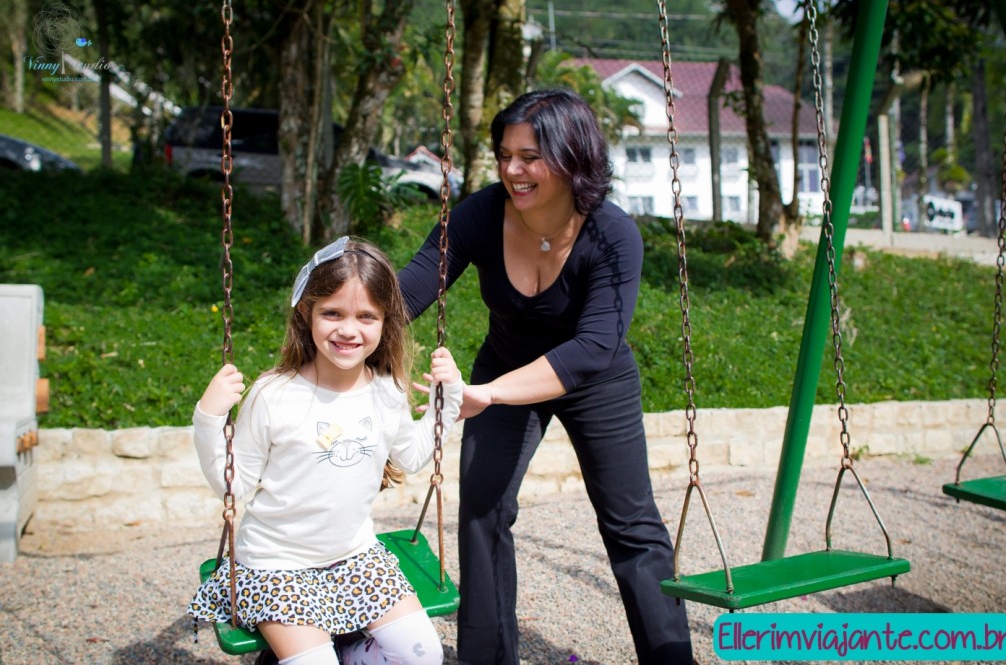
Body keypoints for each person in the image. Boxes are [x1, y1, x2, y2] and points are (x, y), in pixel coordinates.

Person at [398, 88, 693, 664]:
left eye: (531, 156)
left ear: (572, 156)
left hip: (595, 379)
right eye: (505, 155)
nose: (513, 170)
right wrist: (339, 325)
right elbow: (408, 290)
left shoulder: (612, 234)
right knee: (482, 509)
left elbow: (592, 347)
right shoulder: (480, 216)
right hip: (505, 363)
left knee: (632, 527)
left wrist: (487, 394)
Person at [188, 236, 464, 665]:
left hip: (355, 556)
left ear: (385, 321)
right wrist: (208, 417)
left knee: (422, 655)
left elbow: (411, 457)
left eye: (366, 316)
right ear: (307, 313)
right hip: (275, 565)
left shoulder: (387, 391)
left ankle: (348, 650)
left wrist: (447, 403)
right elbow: (235, 483)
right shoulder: (273, 395)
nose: (348, 329)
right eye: (332, 313)